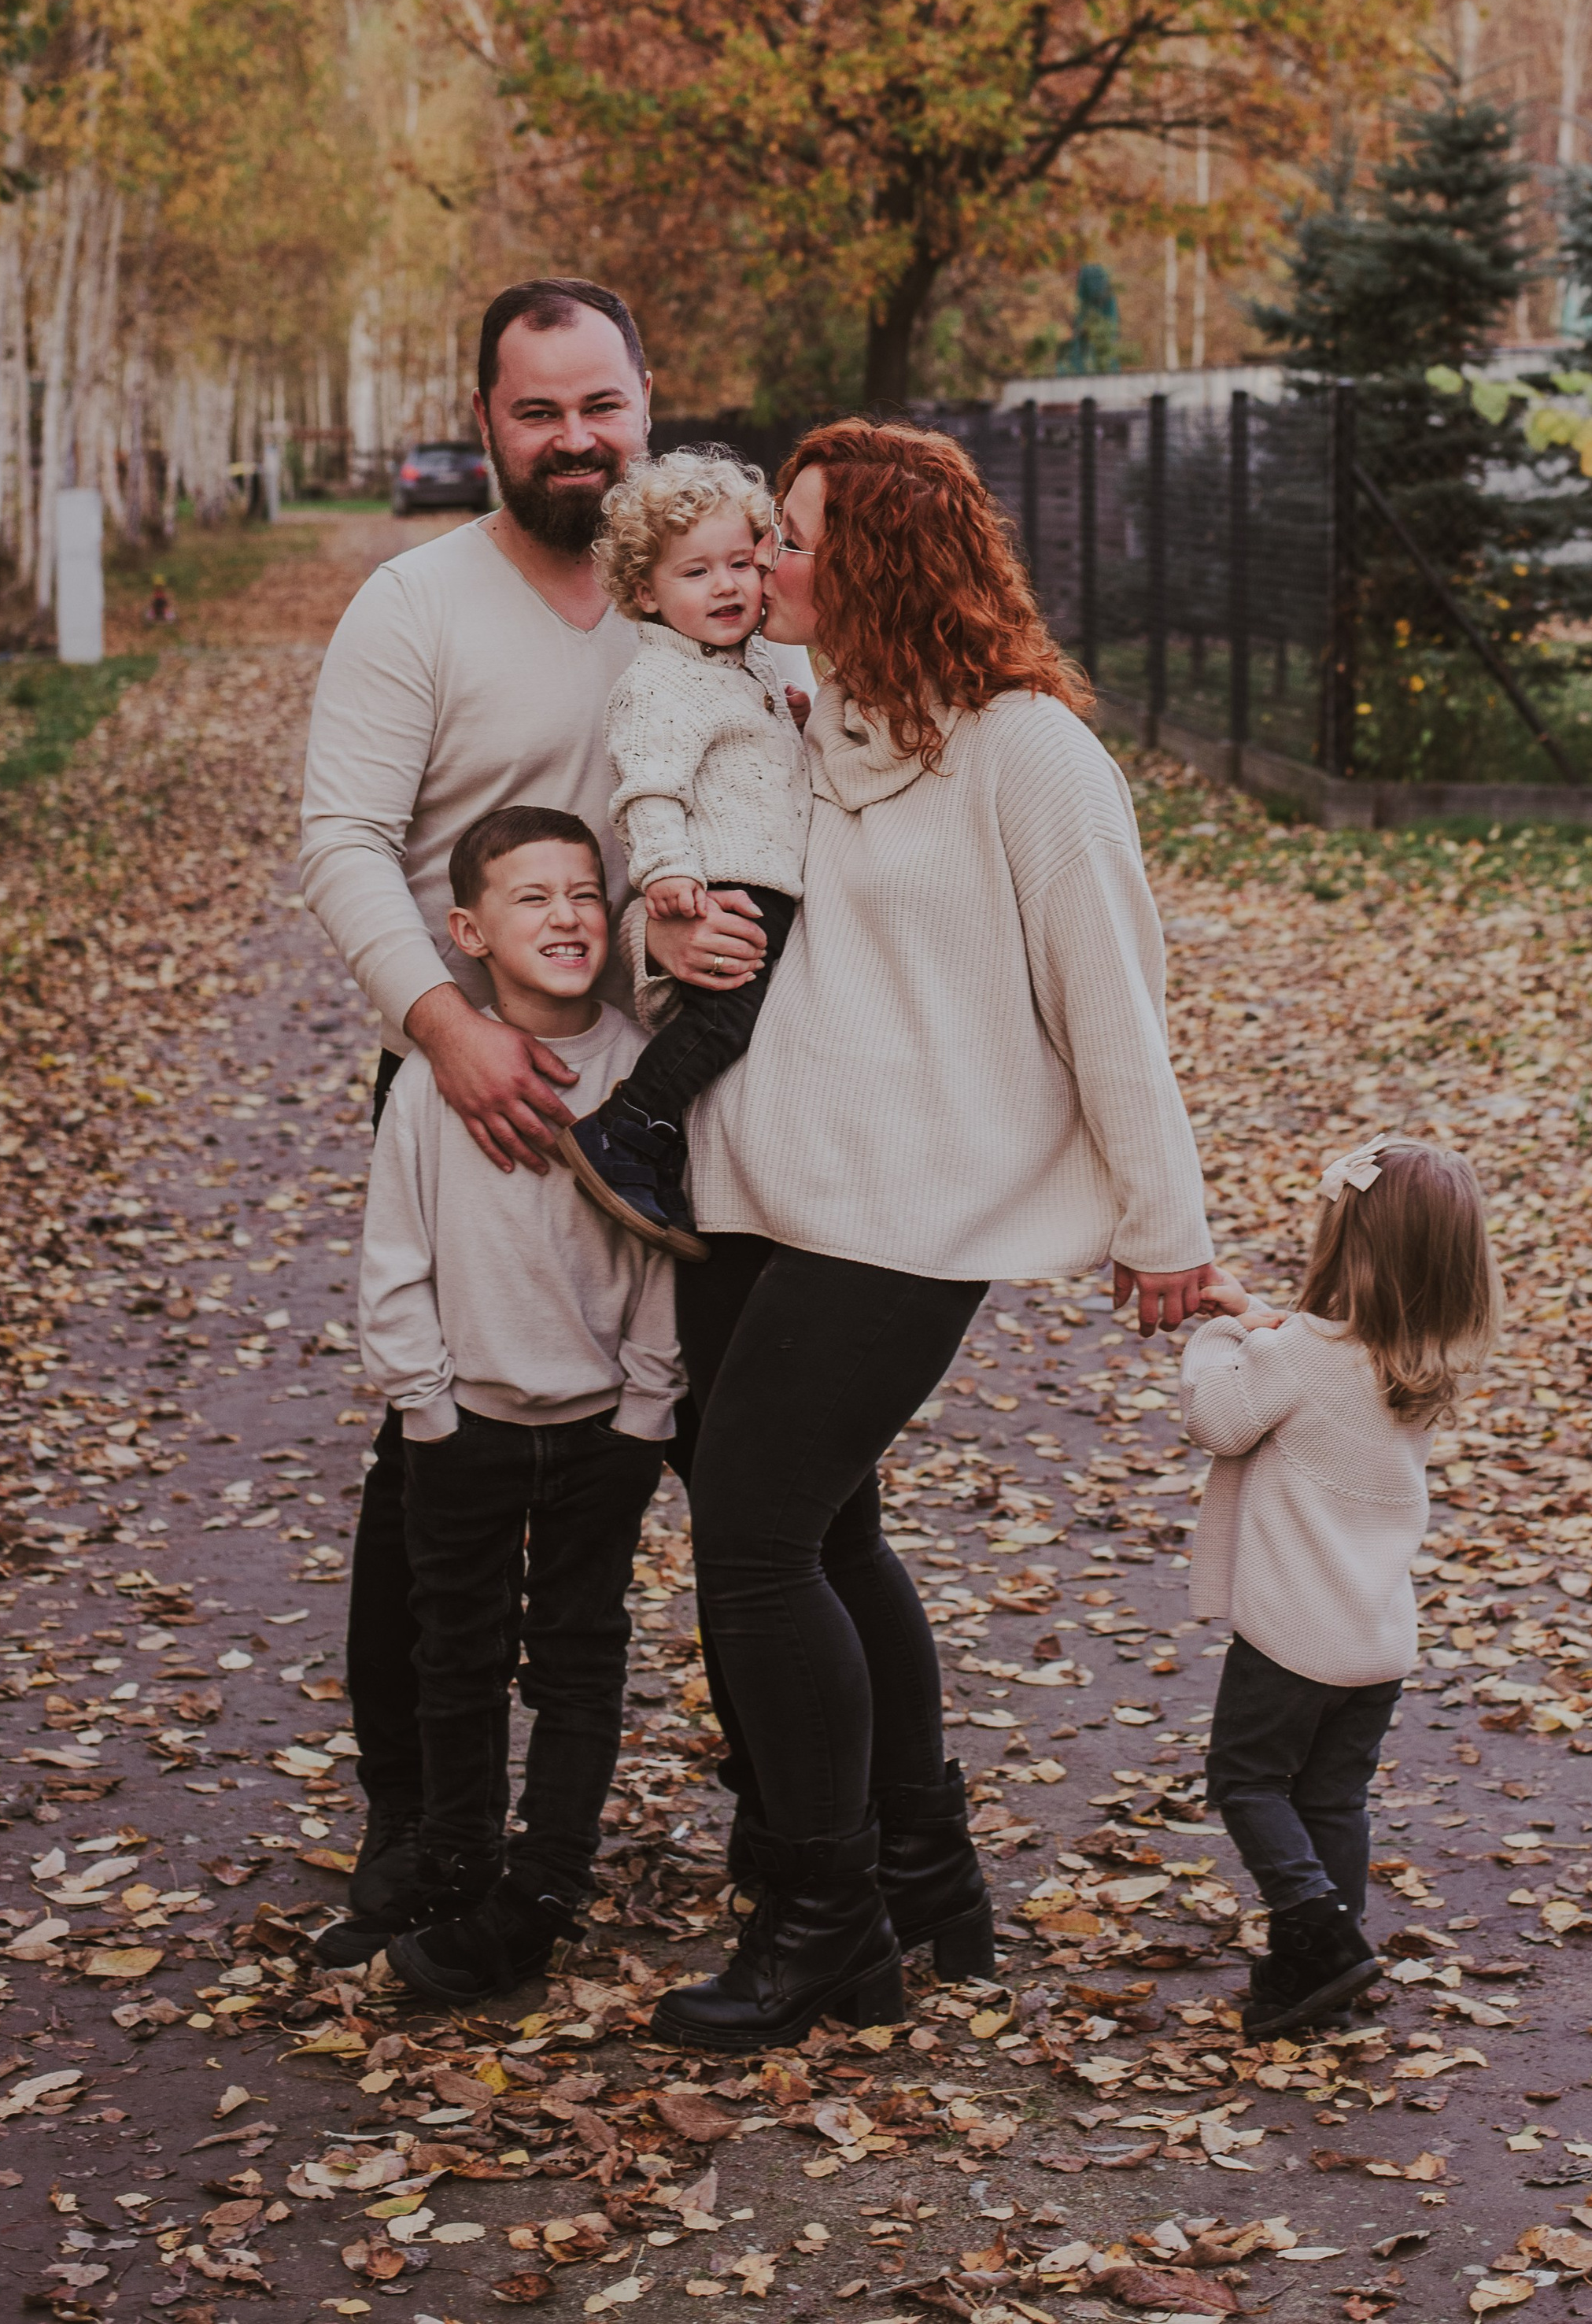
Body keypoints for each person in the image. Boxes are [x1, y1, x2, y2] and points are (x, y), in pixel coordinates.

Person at [641, 419, 1216, 2054]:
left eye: (800, 536)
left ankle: (824, 1919)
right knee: (821, 1537)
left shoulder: (1026, 752)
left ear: (882, 556)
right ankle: (922, 1876)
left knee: (750, 1542)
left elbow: (1111, 992)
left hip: (905, 1216)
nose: (768, 563)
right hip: (754, 1197)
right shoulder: (806, 722)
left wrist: (1162, 1219)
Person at [299, 277, 771, 1968]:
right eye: (536, 411)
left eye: (600, 406)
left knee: (725, 1450)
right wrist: (446, 1031)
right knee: (433, 1467)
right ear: (485, 420)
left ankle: (805, 1832)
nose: (573, 439)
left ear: (648, 403)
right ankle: (418, 1825)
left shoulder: (711, 594)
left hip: (682, 1101)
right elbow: (343, 840)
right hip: (470, 1077)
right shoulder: (413, 606)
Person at [353, 805, 681, 1997]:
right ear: (467, 929)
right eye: (531, 896)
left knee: (582, 1654)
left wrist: (648, 1410)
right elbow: (395, 1259)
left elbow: (660, 1254)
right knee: (457, 1653)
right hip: (468, 1425)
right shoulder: (436, 1085)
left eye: (585, 892)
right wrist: (426, 1406)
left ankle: (546, 1875)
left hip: (603, 1429)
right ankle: (454, 1861)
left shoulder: (645, 1065)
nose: (565, 914)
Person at [1180, 1133, 1502, 2040]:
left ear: (1344, 1241)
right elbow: (1310, 1363)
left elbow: (1218, 1418)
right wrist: (1260, 1319)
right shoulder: (1420, 1355)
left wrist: (1217, 1334)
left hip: (1293, 1633)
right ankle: (1311, 1974)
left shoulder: (1301, 1355)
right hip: (1373, 1634)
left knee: (1246, 1784)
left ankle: (1318, 1933)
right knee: (1331, 1798)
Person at [560, 448, 812, 1259]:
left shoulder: (755, 659)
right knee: (727, 1017)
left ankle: (664, 1142)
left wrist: (796, 723)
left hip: (770, 873)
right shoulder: (658, 681)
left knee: (749, 1021)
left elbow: (751, 760)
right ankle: (625, 1132)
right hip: (724, 878)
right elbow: (648, 787)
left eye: (742, 562)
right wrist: (667, 869)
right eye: (697, 572)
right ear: (645, 592)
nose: (728, 586)